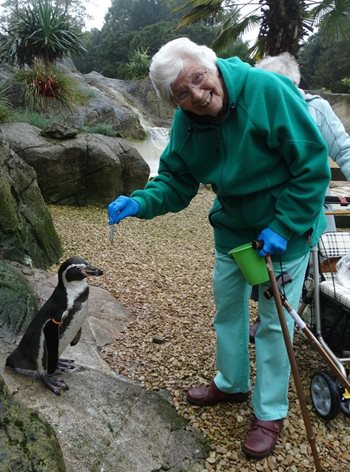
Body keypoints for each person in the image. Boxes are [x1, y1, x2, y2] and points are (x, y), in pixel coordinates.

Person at [108, 38, 329, 459]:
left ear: (210, 64)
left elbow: (311, 167)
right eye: (181, 95)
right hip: (233, 232)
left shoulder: (266, 92)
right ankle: (231, 383)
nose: (196, 95)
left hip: (286, 229)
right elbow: (175, 180)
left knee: (272, 322)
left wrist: (284, 225)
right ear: (173, 104)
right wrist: (140, 201)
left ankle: (270, 411)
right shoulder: (185, 123)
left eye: (197, 78)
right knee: (227, 311)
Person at [249, 52, 350, 340]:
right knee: (264, 264)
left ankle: (317, 322)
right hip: (266, 209)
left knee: (315, 264)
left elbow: (344, 150)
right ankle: (270, 319)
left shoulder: (315, 108)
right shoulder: (256, 108)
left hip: (307, 207)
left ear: (294, 85)